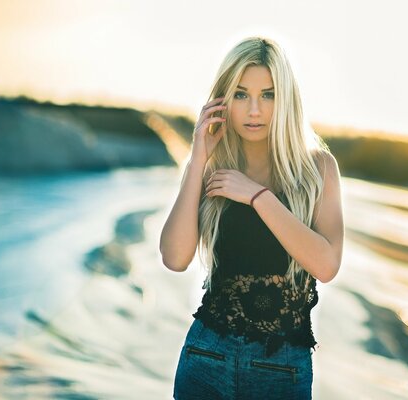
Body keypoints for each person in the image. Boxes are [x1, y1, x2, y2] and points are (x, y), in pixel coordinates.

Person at [159, 36, 344, 400]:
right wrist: (197, 159)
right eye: (241, 95)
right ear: (223, 99)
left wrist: (258, 197)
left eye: (268, 95)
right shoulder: (209, 167)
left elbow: (326, 264)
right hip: (205, 358)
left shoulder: (318, 170)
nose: (254, 110)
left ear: (286, 99)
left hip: (280, 368)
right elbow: (175, 258)